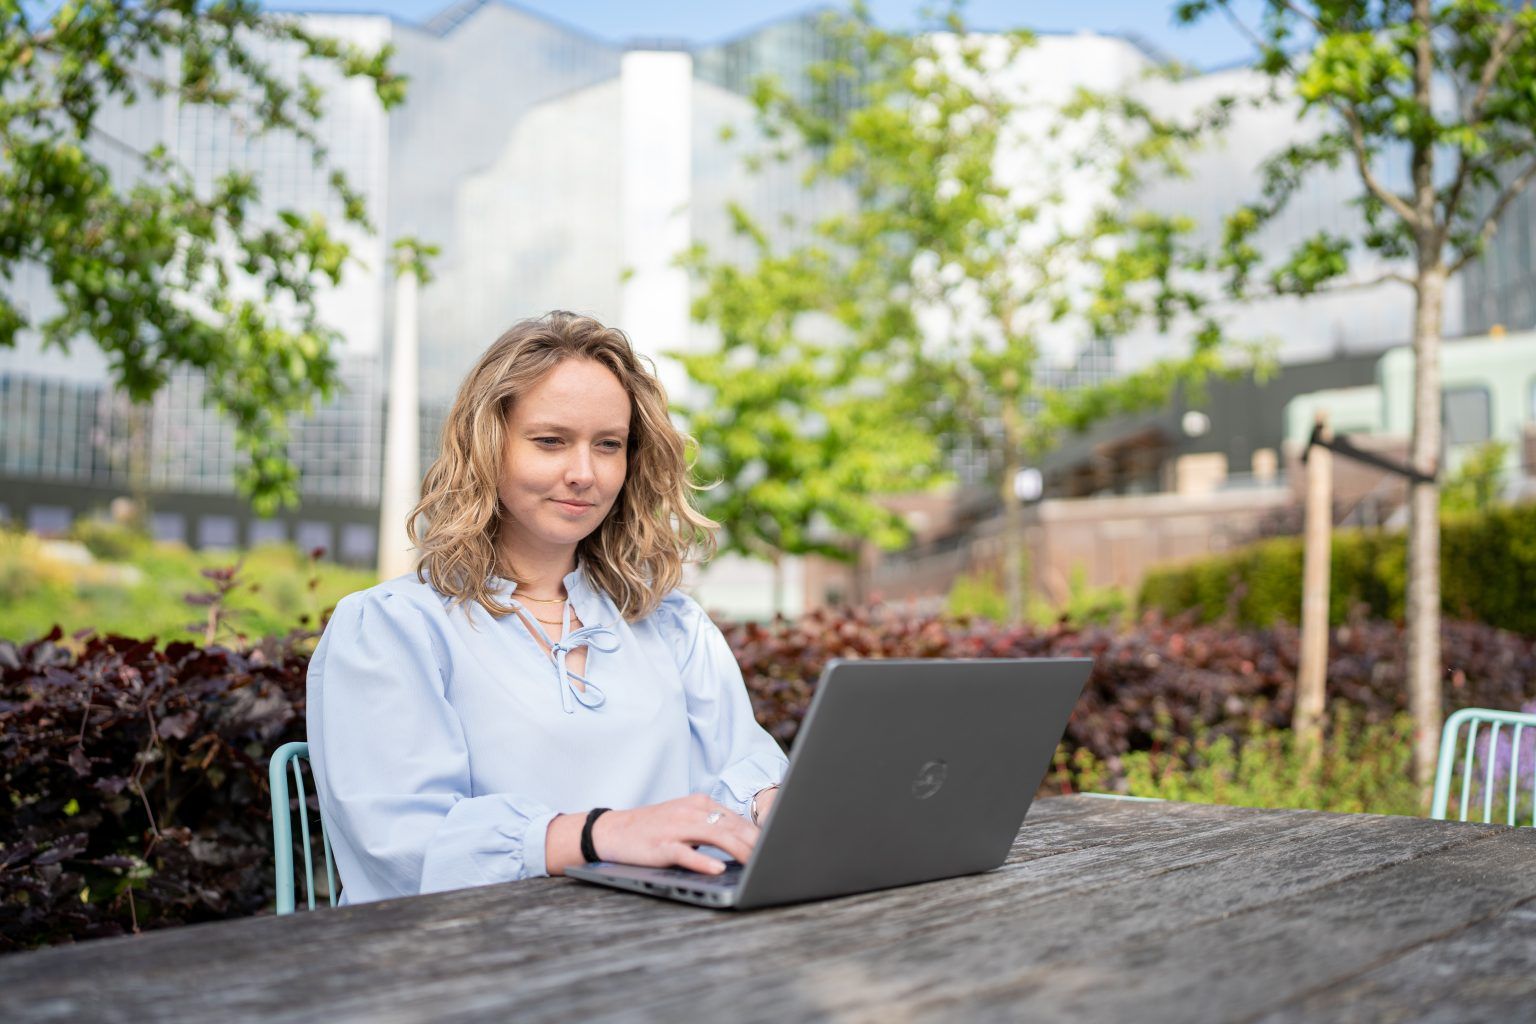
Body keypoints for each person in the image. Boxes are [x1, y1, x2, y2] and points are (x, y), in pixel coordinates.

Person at [306, 311, 788, 905]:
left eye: (608, 445)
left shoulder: (673, 626)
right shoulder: (392, 628)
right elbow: (406, 845)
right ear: (488, 448)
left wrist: (792, 808)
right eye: (550, 441)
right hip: (477, 962)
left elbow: (748, 777)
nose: (584, 473)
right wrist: (598, 834)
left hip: (665, 944)